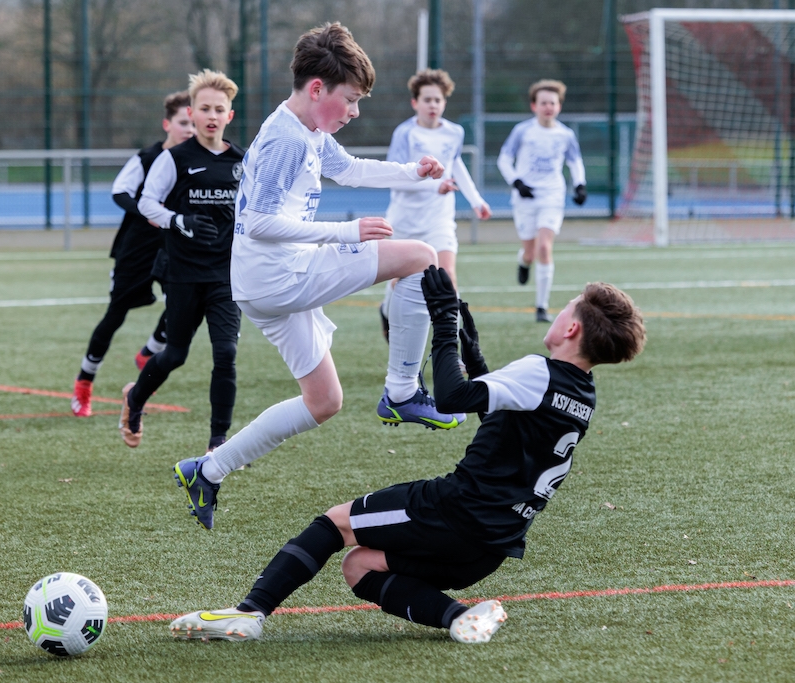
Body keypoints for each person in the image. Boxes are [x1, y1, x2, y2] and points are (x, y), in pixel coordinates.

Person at [169, 266, 646, 643]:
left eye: (566, 308)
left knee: (335, 524)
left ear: (571, 327)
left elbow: (452, 399)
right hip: (490, 547)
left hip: (454, 514)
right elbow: (501, 424)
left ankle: (250, 612)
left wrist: (444, 323)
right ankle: (460, 617)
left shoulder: (539, 371)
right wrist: (474, 356)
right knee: (360, 566)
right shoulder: (582, 392)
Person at [172, 22, 451, 531]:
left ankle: (206, 471)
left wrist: (412, 172)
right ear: (318, 89)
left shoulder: (307, 130)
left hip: (264, 285)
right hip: (281, 277)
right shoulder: (286, 139)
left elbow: (349, 170)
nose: (354, 112)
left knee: (324, 401)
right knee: (423, 256)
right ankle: (402, 391)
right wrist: (345, 231)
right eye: (351, 100)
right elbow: (256, 221)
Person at [118, 70, 244, 454]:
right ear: (191, 113)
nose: (211, 116)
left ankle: (218, 443)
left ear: (229, 116)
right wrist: (179, 221)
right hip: (183, 273)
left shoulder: (243, 161)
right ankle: (135, 399)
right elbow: (146, 203)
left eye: (218, 109)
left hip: (226, 275)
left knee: (226, 353)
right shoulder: (174, 159)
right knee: (175, 354)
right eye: (204, 108)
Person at [377, 68, 492, 428]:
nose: (433, 105)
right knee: (401, 283)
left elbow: (457, 168)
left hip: (440, 220)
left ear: (444, 102)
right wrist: (433, 185)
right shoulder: (405, 133)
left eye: (438, 100)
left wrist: (476, 200)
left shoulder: (454, 132)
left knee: (447, 276)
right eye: (426, 99)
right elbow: (396, 177)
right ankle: (387, 311)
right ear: (415, 102)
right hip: (406, 219)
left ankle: (450, 354)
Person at [71, 91, 194, 417]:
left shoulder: (195, 160)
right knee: (115, 315)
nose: (190, 130)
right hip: (137, 247)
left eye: (194, 124)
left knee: (184, 307)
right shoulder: (148, 157)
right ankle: (84, 382)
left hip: (174, 247)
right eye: (184, 123)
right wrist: (147, 213)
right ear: (167, 124)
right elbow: (119, 191)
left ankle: (149, 353)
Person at [497, 79, 586, 323]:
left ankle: (541, 307)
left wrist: (580, 185)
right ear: (534, 106)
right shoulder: (522, 131)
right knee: (530, 252)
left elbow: (575, 162)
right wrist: (517, 182)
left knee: (544, 248)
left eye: (553, 103)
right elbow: (504, 159)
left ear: (559, 106)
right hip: (525, 197)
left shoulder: (565, 134)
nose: (548, 107)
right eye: (543, 103)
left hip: (552, 196)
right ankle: (523, 262)